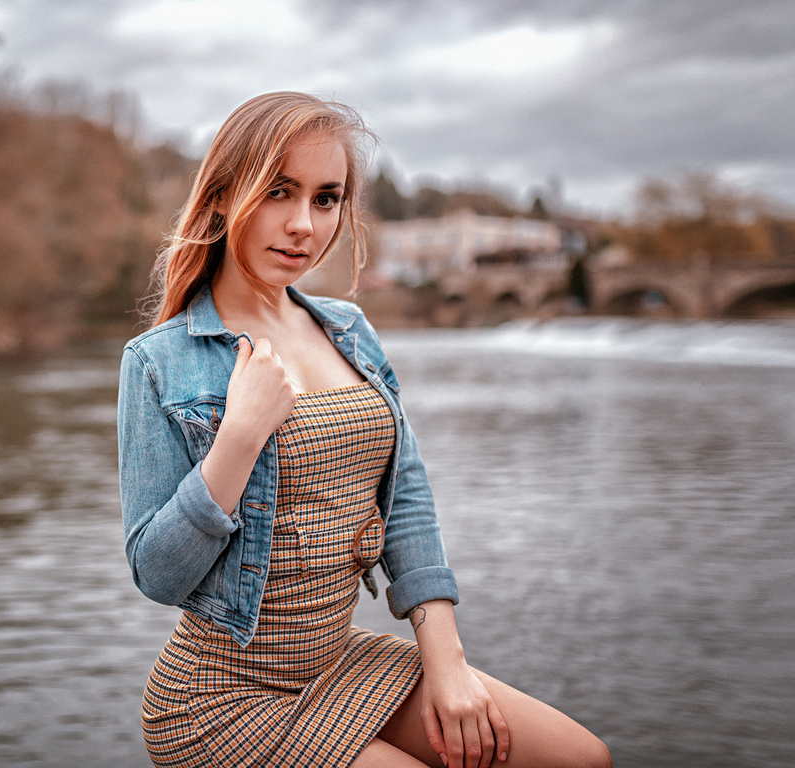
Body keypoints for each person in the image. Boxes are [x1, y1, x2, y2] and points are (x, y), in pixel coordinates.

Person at [115, 92, 611, 768]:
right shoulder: (158, 361)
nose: (303, 225)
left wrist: (448, 665)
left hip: (338, 660)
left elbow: (405, 496)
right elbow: (156, 573)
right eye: (279, 192)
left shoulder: (349, 329)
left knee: (581, 759)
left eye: (326, 199)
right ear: (226, 195)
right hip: (220, 700)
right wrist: (238, 440)